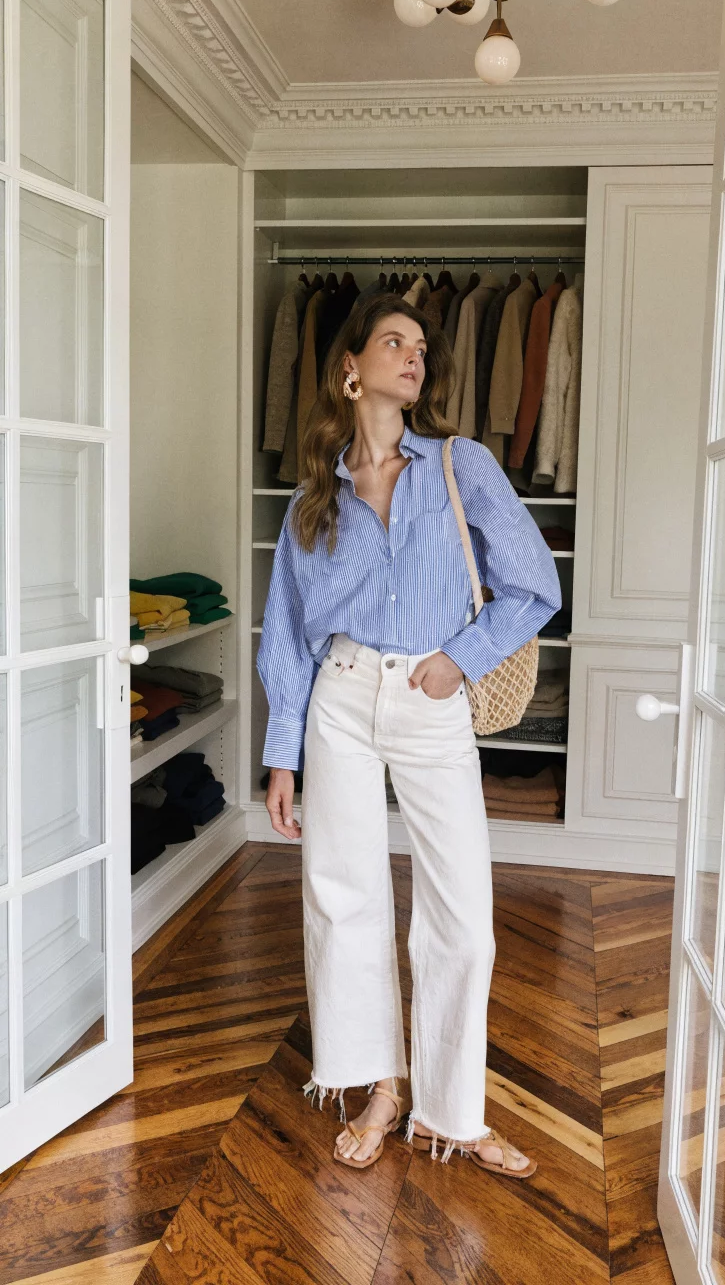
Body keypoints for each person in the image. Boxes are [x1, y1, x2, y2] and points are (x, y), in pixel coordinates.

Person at [257, 291, 561, 1177]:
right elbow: (286, 631)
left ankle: (453, 1113)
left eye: (421, 344)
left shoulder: (461, 466)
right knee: (344, 897)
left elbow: (534, 584)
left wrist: (461, 659)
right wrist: (285, 756)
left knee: (462, 915)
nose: (414, 354)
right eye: (394, 341)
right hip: (341, 698)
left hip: (432, 697)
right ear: (351, 371)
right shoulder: (313, 498)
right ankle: (377, 1087)